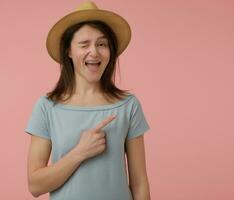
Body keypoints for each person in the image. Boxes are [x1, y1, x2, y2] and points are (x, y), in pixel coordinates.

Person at [24, 2, 151, 200]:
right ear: (68, 51)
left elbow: (139, 183)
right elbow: (35, 185)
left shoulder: (128, 105)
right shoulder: (47, 107)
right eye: (84, 44)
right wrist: (80, 152)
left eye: (102, 44)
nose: (95, 52)